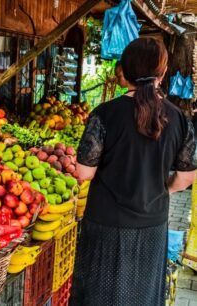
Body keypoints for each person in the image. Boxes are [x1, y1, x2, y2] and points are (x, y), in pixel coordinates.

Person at [69, 38, 197, 306]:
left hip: (106, 224)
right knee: (142, 296)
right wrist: (161, 188)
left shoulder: (104, 114)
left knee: (99, 295)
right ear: (162, 74)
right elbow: (186, 177)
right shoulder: (179, 119)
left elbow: (84, 172)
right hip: (152, 224)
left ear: (124, 72)